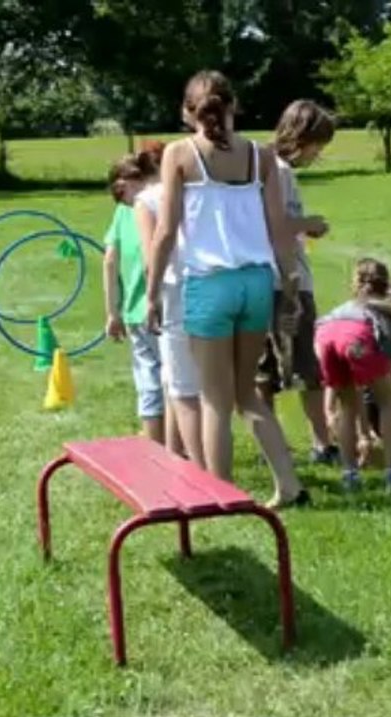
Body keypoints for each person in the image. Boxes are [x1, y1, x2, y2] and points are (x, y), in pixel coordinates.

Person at [144, 70, 306, 509]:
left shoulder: (179, 153)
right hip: (257, 282)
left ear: (187, 112)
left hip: (209, 285)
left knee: (214, 400)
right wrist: (290, 287)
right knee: (246, 392)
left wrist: (152, 292)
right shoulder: (262, 156)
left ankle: (221, 496)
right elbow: (278, 231)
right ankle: (288, 484)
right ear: (233, 106)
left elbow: (164, 232)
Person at [255, 99, 338, 465]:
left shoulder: (257, 165)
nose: (317, 155)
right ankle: (322, 443)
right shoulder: (280, 171)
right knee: (305, 366)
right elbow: (277, 225)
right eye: (318, 146)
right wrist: (310, 223)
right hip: (287, 280)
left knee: (263, 368)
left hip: (258, 279)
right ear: (304, 138)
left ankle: (270, 445)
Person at [315, 259, 391, 491]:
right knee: (388, 403)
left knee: (347, 407)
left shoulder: (345, 306)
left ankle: (350, 476)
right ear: (386, 285)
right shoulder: (389, 312)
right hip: (358, 335)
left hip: (325, 334)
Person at [131, 144, 203, 461]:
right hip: (209, 281)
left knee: (181, 386)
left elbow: (151, 256)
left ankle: (202, 468)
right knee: (185, 381)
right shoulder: (194, 190)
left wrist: (151, 296)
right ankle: (175, 453)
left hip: (175, 288)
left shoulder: (146, 200)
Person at [103, 144, 174, 447]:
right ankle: (174, 447)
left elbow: (109, 261)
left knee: (150, 379)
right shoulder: (161, 204)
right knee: (172, 378)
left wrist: (112, 312)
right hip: (167, 304)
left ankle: (156, 447)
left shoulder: (128, 211)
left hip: (139, 310)